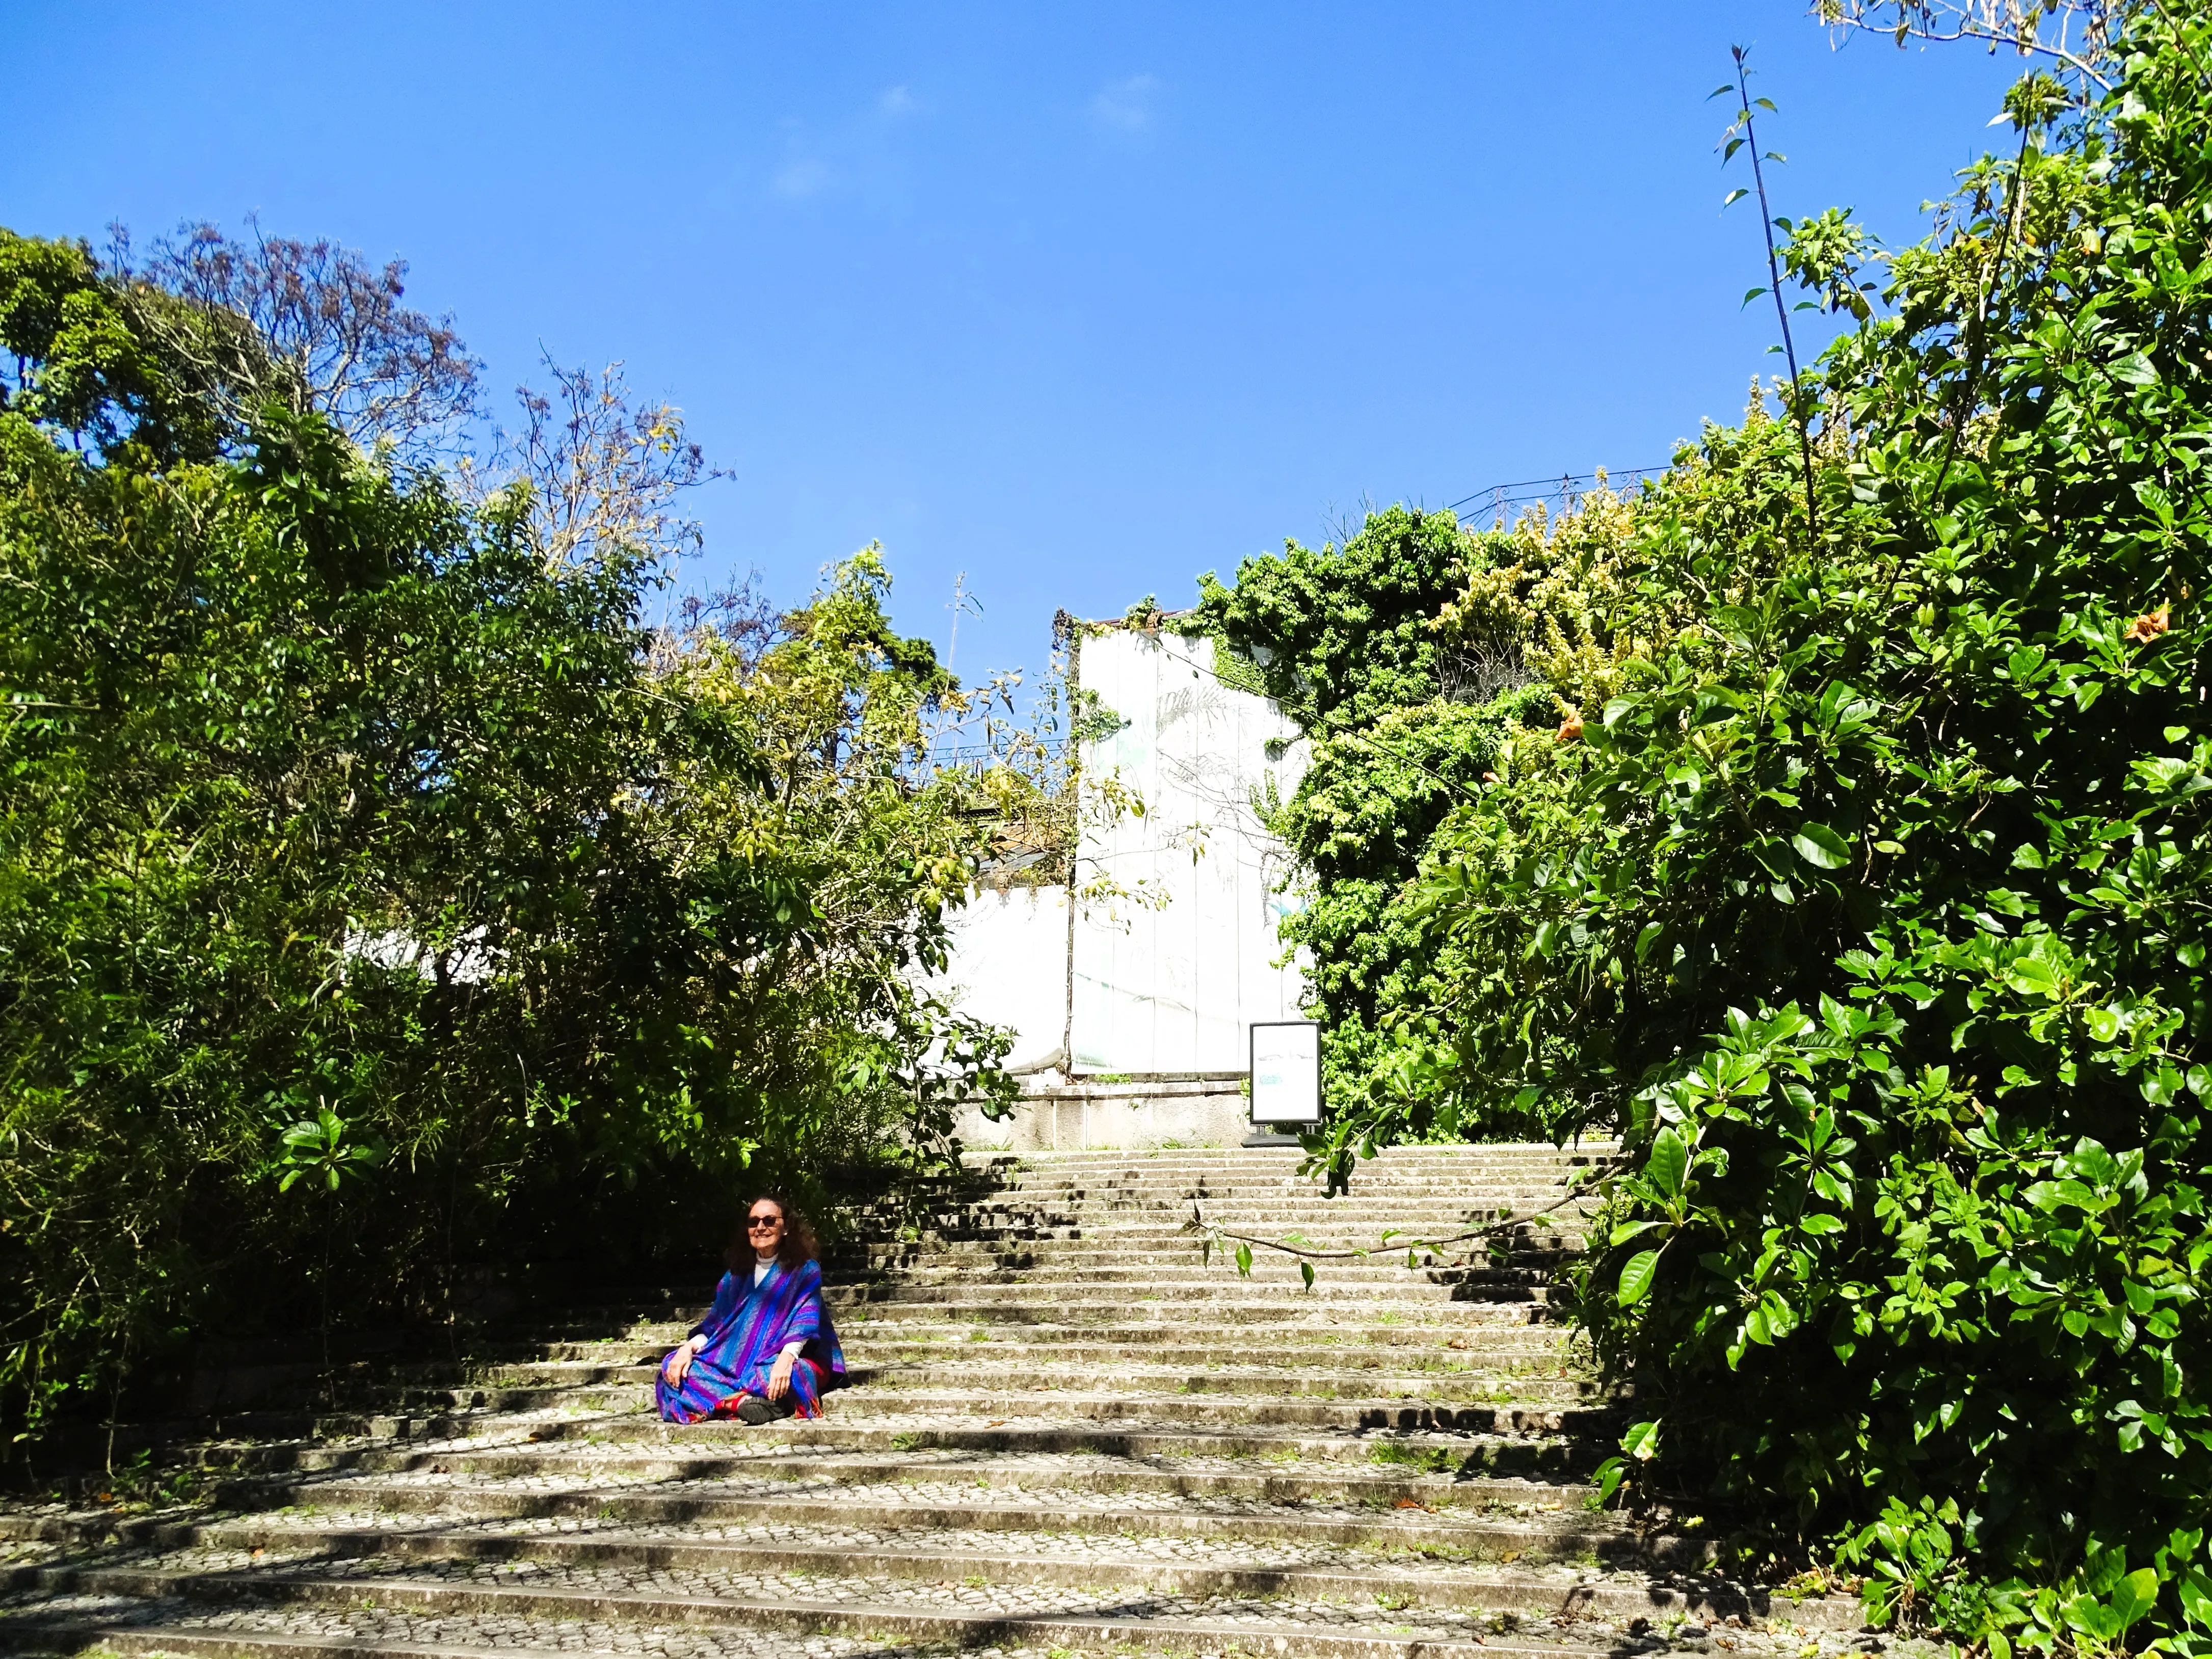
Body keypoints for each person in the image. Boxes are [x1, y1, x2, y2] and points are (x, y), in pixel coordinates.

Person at [655, 1192, 846, 1424]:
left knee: (789, 1375)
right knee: (674, 1366)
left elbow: (804, 1323)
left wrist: (785, 1360)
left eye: (769, 1221)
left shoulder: (805, 1270)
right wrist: (688, 1348)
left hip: (787, 1356)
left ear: (786, 1228)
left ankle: (734, 1400)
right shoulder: (736, 1275)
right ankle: (743, 1403)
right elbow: (716, 1325)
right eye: (753, 1222)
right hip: (737, 1362)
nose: (761, 1227)